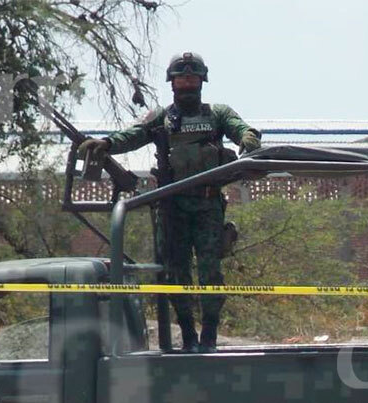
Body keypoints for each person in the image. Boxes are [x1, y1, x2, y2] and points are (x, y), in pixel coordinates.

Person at [79, 52, 260, 352]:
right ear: (172, 83)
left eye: (192, 78)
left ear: (202, 81)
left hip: (207, 205)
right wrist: (106, 143)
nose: (187, 83)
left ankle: (209, 338)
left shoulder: (217, 114)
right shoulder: (161, 118)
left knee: (210, 272)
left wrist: (249, 138)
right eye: (181, 78)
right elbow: (133, 135)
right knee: (175, 272)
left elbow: (241, 128)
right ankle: (188, 335)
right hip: (172, 205)